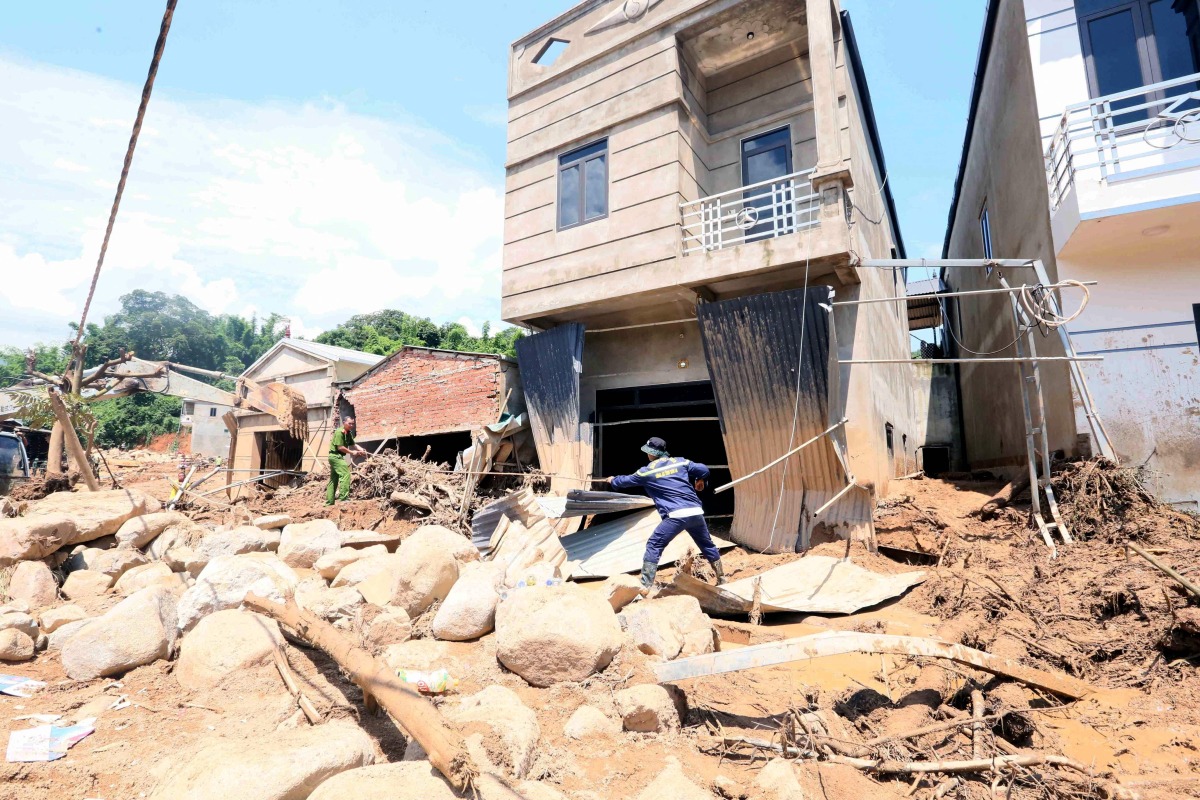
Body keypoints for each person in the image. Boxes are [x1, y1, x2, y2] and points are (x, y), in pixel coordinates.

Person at [605, 436, 727, 592]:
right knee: (707, 545)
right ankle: (722, 578)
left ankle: (645, 585)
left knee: (654, 545)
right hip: (696, 512)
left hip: (675, 515)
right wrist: (699, 479)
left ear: (651, 453)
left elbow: (623, 482)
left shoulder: (646, 472)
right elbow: (703, 469)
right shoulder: (681, 462)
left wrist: (612, 480)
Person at [326, 416, 367, 507]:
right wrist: (352, 452)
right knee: (345, 474)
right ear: (344, 423)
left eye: (352, 423)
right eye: (349, 423)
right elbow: (340, 447)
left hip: (338, 456)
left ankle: (329, 502)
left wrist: (361, 450)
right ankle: (343, 498)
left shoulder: (348, 433)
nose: (351, 425)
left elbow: (354, 444)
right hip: (335, 456)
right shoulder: (339, 432)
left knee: (333, 479)